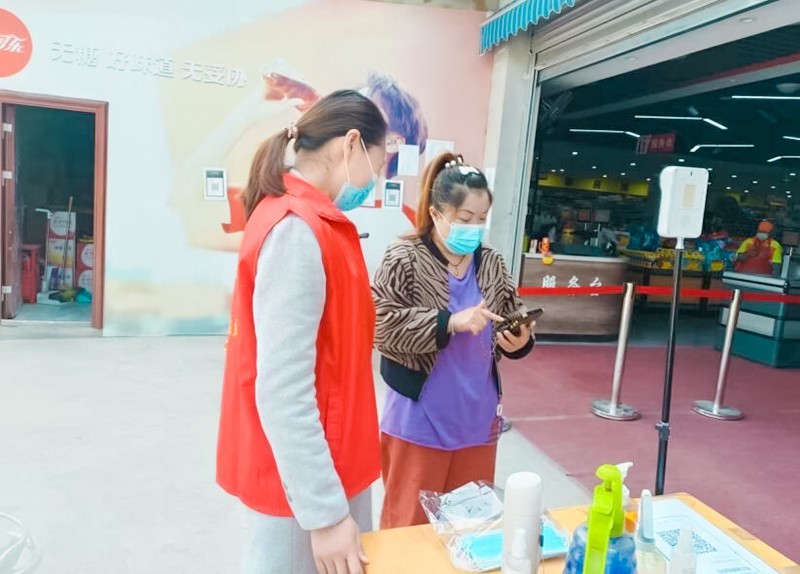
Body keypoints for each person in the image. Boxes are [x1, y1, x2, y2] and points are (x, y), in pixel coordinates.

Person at [216, 89, 387, 574]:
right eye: (376, 164)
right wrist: (325, 514)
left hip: (327, 463)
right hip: (309, 484)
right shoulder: (297, 230)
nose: (373, 182)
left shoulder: (313, 221)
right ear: (350, 144)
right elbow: (283, 387)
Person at [371, 152, 536, 529]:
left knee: (470, 527)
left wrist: (519, 338)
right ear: (436, 214)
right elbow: (380, 323)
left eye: (481, 219)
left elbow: (512, 312)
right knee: (409, 528)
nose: (474, 228)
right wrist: (449, 322)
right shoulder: (405, 257)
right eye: (464, 219)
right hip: (419, 418)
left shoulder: (490, 261)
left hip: (478, 418)